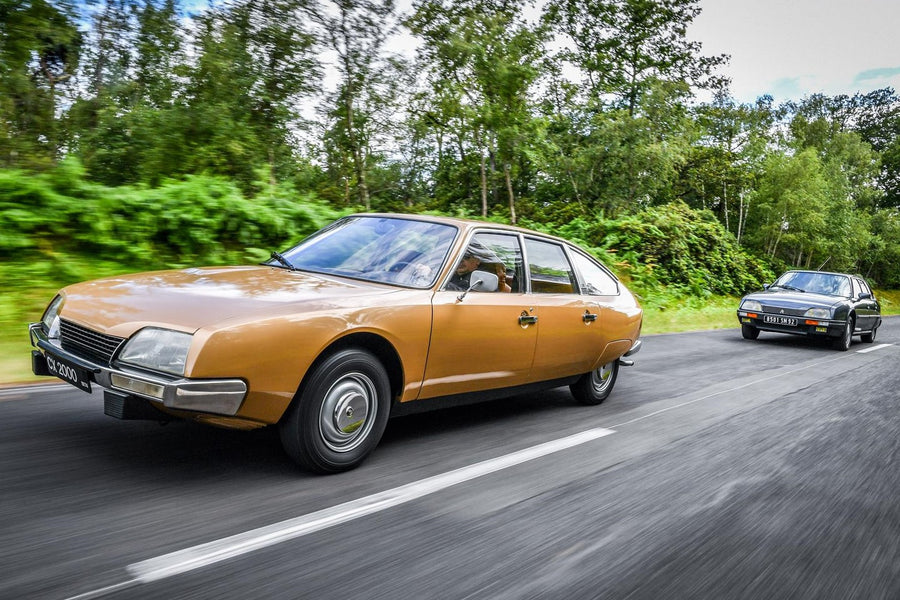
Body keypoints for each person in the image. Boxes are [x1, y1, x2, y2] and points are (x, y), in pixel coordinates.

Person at [446, 243, 511, 292]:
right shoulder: (449, 274)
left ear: (477, 260)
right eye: (459, 257)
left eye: (466, 257)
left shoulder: (483, 277)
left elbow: (469, 296)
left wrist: (447, 286)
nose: (461, 261)